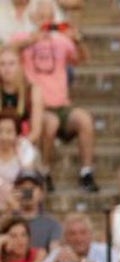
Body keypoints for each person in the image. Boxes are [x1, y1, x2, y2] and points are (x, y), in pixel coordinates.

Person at [8, 0, 97, 191]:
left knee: (85, 120)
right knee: (50, 124)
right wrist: (33, 39)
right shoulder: (23, 38)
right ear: (32, 18)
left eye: (49, 17)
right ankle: (45, 171)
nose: (45, 21)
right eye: (41, 17)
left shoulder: (61, 41)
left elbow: (84, 60)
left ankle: (86, 172)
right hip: (38, 106)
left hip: (61, 104)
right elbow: (9, 52)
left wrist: (77, 39)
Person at [35, 213, 110, 262]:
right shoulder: (60, 252)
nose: (78, 239)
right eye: (72, 234)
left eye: (83, 233)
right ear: (65, 237)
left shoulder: (105, 251)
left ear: (90, 235)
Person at [7, 168, 58, 251]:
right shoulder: (6, 219)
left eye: (32, 188)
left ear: (41, 193)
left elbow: (55, 252)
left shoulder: (52, 224)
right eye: (23, 188)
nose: (27, 192)